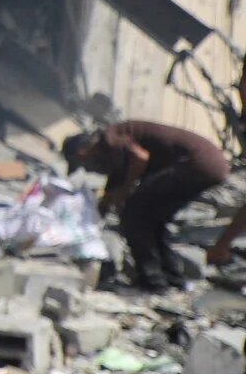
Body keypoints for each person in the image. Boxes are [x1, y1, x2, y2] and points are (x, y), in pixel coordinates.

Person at [65, 121, 232, 289]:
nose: (89, 170)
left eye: (83, 164)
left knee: (134, 214)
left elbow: (139, 157)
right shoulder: (114, 151)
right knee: (155, 220)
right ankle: (173, 277)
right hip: (212, 164)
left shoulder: (110, 138)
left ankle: (152, 280)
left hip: (196, 163)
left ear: (84, 151)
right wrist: (95, 218)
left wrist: (127, 189)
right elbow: (113, 188)